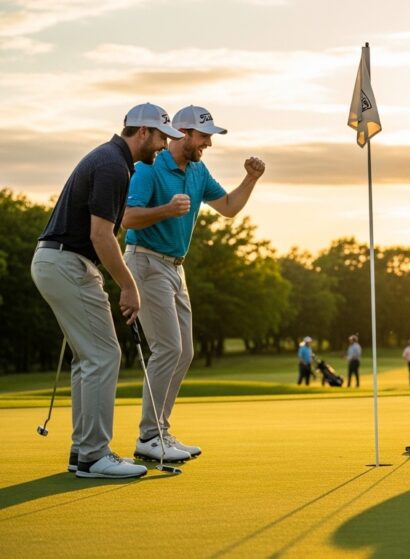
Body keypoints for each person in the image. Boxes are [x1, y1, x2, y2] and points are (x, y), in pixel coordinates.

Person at [31, 102, 182, 479]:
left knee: (90, 358)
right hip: (67, 261)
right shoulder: (114, 166)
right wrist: (129, 286)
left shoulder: (112, 160)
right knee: (104, 355)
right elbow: (102, 235)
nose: (164, 145)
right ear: (143, 132)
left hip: (57, 261)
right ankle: (95, 456)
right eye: (162, 136)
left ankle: (83, 451)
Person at [122, 105, 266, 462]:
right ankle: (149, 436)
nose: (208, 144)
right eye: (204, 137)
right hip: (145, 261)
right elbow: (126, 217)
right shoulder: (149, 169)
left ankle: (161, 431)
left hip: (175, 269)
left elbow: (229, 208)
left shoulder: (199, 171)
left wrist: (250, 179)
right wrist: (166, 210)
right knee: (168, 348)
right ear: (183, 134)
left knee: (184, 352)